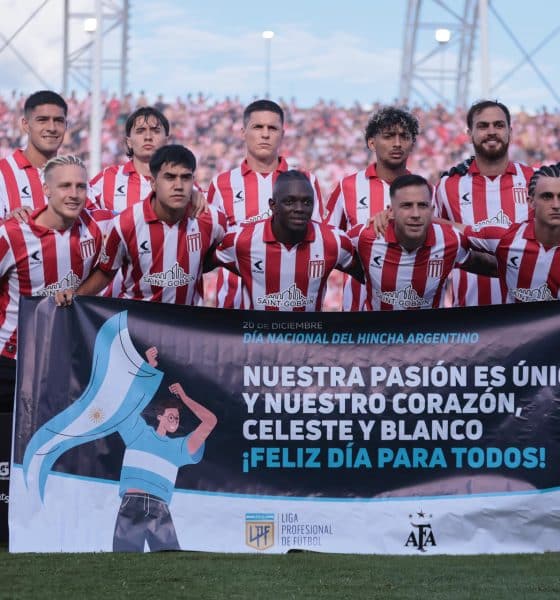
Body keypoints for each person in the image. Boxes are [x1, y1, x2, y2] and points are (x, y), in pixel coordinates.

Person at [0, 155, 105, 411]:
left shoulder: (99, 226)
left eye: (81, 186)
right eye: (65, 186)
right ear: (46, 190)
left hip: (62, 365)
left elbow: (108, 268)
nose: (74, 194)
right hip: (8, 361)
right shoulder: (11, 235)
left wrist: (193, 199)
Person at [58, 144, 226, 305]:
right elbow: (105, 271)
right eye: (170, 177)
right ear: (153, 183)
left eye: (185, 177)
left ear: (193, 181)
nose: (178, 186)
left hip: (186, 326)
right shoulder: (125, 223)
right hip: (135, 323)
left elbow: (226, 255)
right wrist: (75, 296)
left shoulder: (212, 219)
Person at [207, 99, 323, 308]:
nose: (265, 134)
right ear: (243, 132)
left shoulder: (306, 181)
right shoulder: (222, 183)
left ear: (282, 134)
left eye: (272, 128)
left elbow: (318, 241)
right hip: (235, 314)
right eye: (258, 127)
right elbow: (212, 248)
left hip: (294, 309)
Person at [113, 346, 217, 552]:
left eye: (177, 418)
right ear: (159, 416)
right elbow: (125, 406)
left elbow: (210, 421)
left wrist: (185, 398)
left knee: (171, 568)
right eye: (171, 416)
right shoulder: (138, 433)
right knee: (123, 565)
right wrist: (148, 370)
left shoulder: (179, 448)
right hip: (131, 503)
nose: (175, 420)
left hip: (159, 508)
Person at [435, 100, 535, 306]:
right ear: (469, 133)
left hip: (529, 318)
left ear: (510, 131)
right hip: (471, 320)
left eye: (499, 125)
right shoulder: (448, 186)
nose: (491, 131)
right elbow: (431, 237)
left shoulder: (534, 181)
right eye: (483, 126)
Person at [214, 170, 357, 311]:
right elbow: (201, 265)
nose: (299, 209)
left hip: (308, 333)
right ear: (272, 205)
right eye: (290, 201)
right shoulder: (241, 240)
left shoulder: (334, 241)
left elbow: (367, 275)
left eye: (307, 202)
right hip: (257, 333)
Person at [349, 174, 495, 311]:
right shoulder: (365, 236)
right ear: (390, 212)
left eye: (422, 206)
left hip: (430, 335)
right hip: (378, 335)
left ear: (431, 211)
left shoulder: (450, 240)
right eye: (406, 205)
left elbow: (496, 265)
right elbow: (332, 250)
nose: (416, 214)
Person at [324, 106, 419, 310]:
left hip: (412, 311)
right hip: (359, 312)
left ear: (412, 144)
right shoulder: (348, 186)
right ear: (371, 142)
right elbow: (327, 242)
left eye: (404, 136)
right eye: (388, 136)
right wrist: (363, 266)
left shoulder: (425, 190)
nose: (397, 143)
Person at [461, 164, 560, 302]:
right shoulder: (508, 239)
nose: (556, 205)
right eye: (547, 197)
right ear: (531, 202)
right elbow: (452, 231)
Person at [0, 90, 67, 219]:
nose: (52, 128)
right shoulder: (2, 173)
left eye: (58, 120)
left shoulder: (74, 177)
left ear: (66, 125)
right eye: (42, 120)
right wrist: (10, 226)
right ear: (26, 125)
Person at [89, 106, 170, 212]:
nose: (148, 137)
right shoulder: (107, 178)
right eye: (140, 131)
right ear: (129, 142)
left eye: (155, 130)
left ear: (166, 140)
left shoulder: (183, 181)